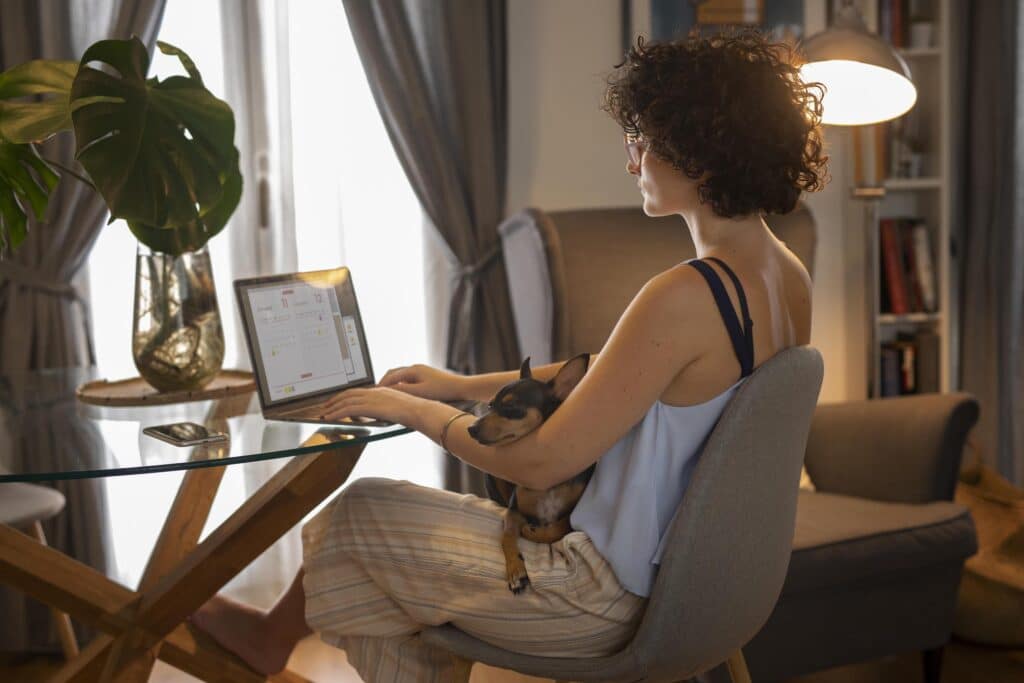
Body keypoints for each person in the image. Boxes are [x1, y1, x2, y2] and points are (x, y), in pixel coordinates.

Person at [190, 29, 828, 681]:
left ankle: (269, 639)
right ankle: (275, 638)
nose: (633, 160)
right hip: (699, 596)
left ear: (700, 157)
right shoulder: (784, 275)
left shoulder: (683, 295)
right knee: (392, 557)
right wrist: (458, 384)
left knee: (356, 518)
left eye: (644, 141)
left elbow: (541, 460)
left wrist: (409, 409)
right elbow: (619, 370)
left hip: (600, 599)